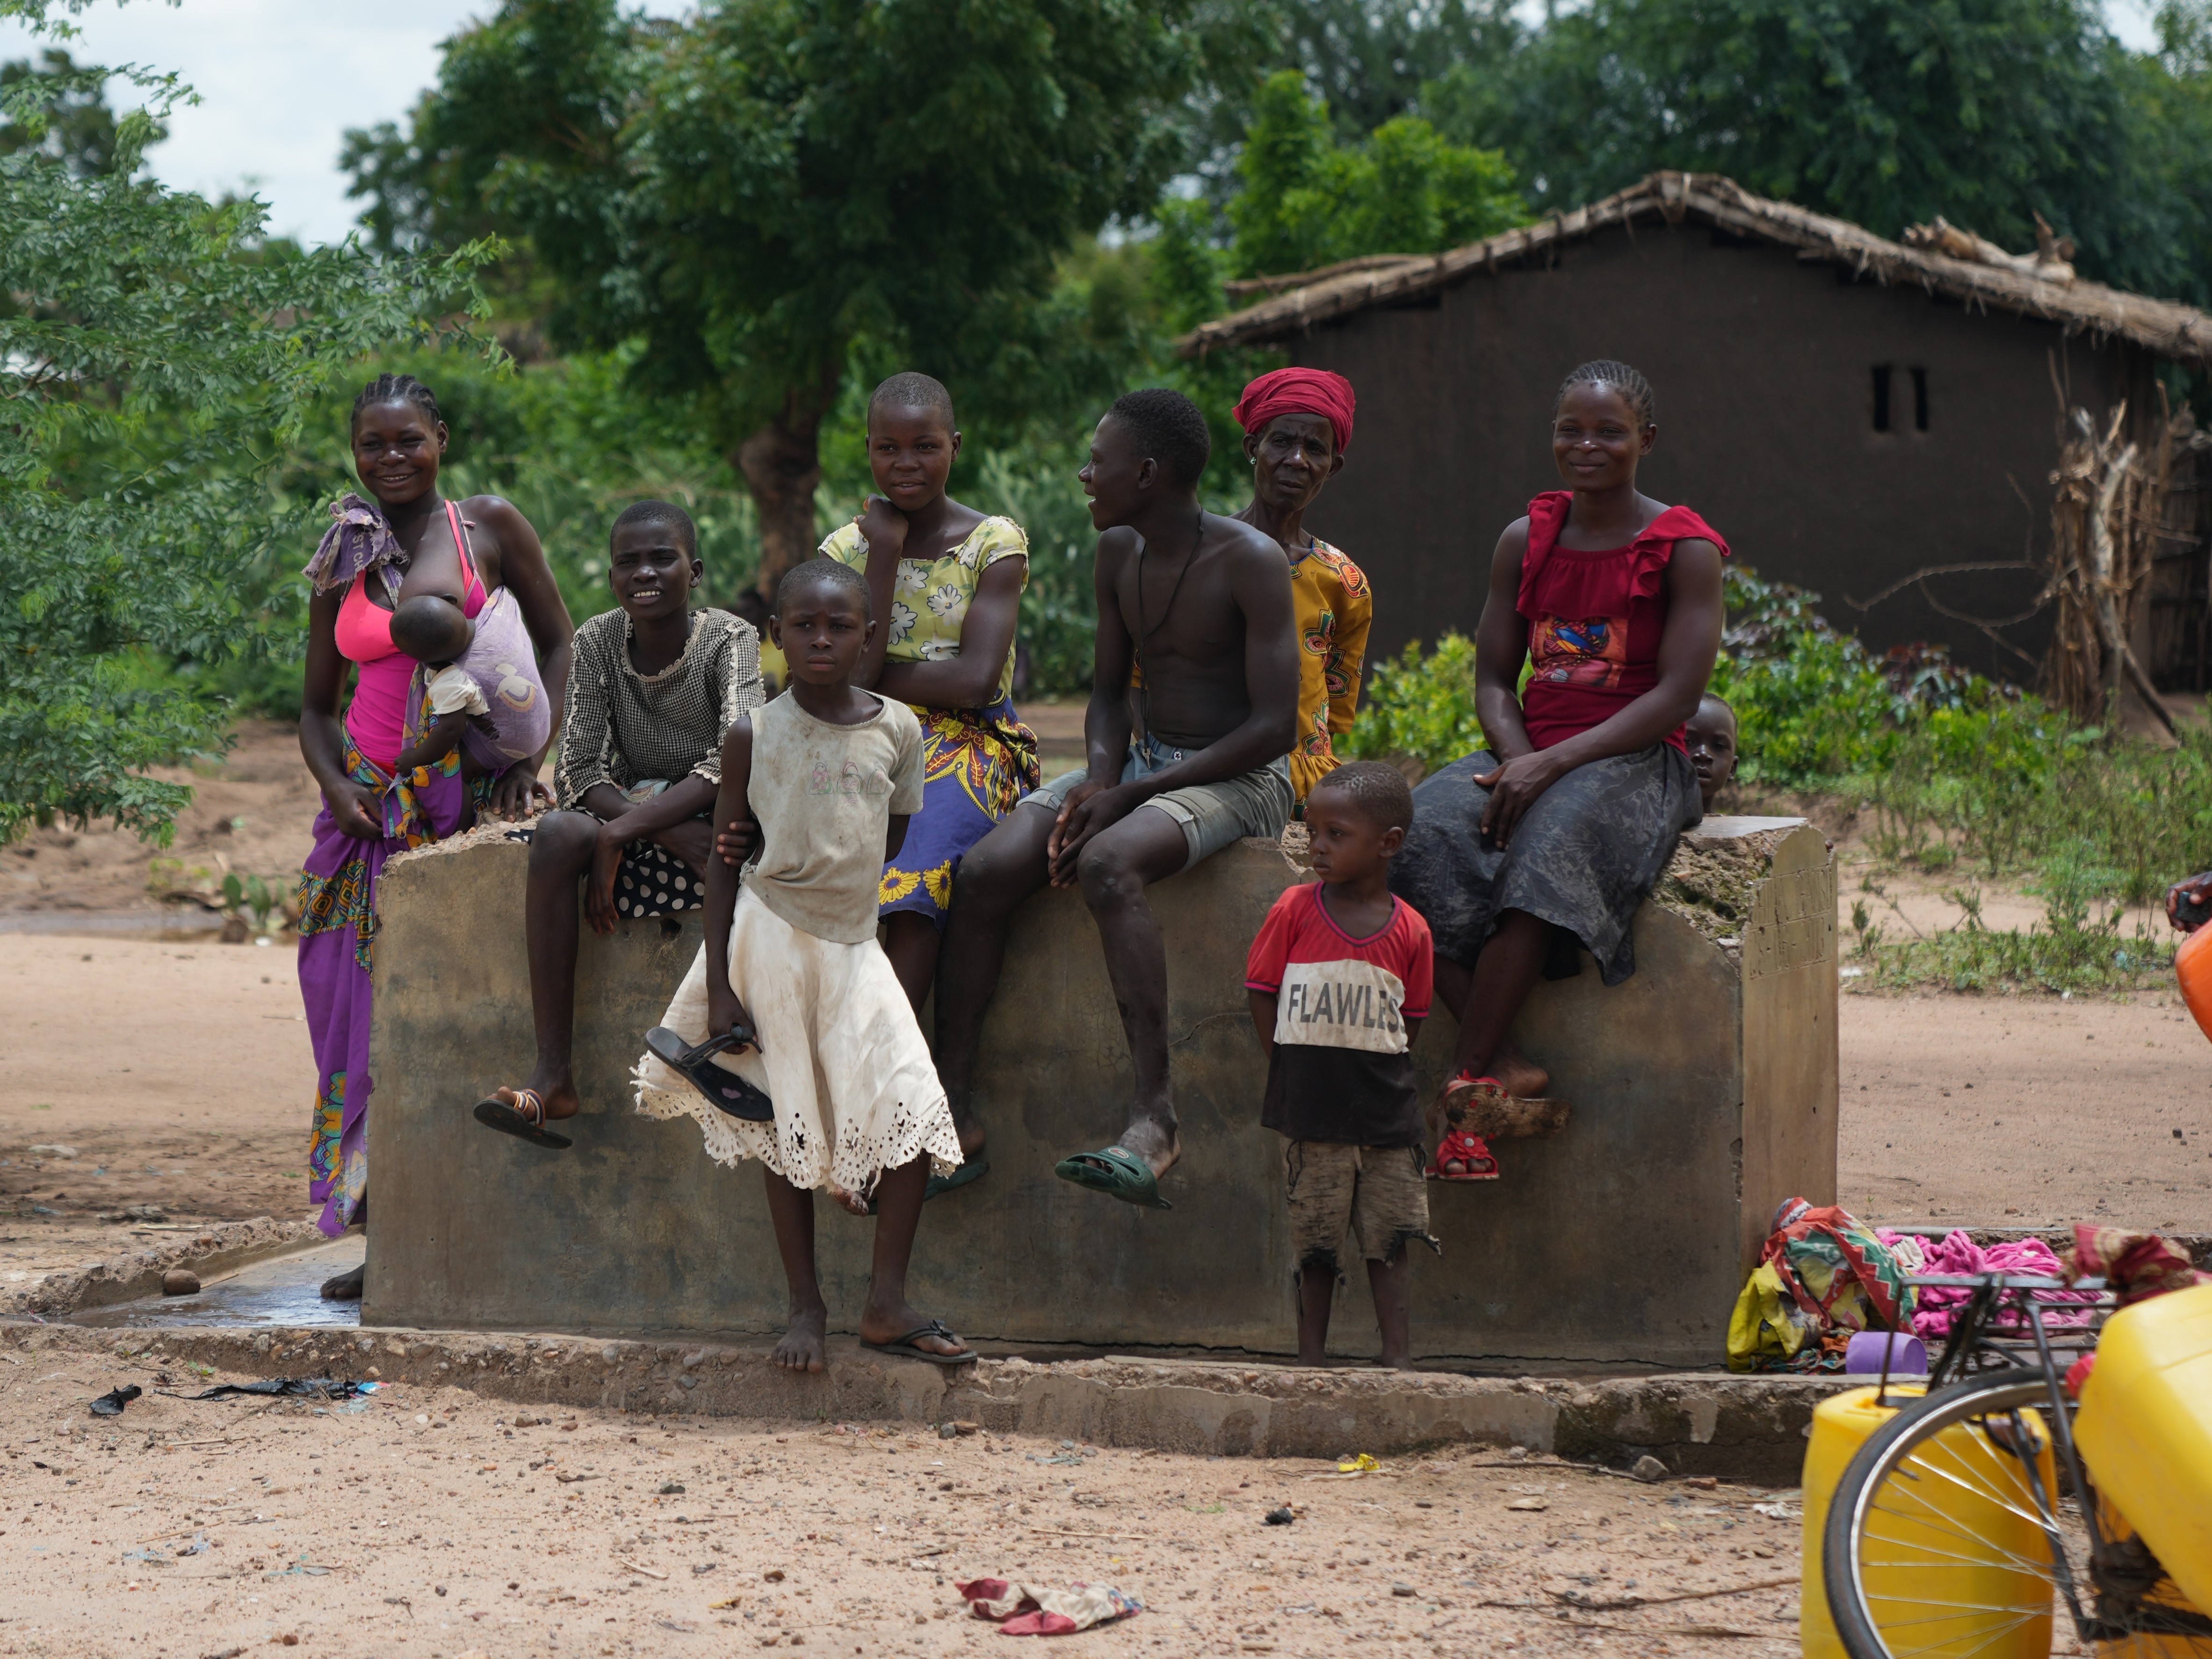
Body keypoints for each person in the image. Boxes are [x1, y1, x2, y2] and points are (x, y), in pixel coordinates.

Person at [932, 388, 1300, 1209]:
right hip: (1140, 759)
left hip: (1238, 775)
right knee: (986, 871)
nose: (1084, 475)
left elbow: (1277, 727)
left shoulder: (1249, 560)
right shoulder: (1117, 554)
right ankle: (950, 1115)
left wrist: (1135, 793)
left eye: (1097, 463)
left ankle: (1155, 1116)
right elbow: (1106, 694)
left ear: (1147, 471)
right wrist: (1102, 776)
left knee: (1105, 862)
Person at [1387, 360, 1727, 1183]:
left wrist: (1552, 766)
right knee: (1412, 833)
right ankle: (1503, 1058)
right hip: (1528, 747)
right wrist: (1517, 760)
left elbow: (1679, 695)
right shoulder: (1526, 538)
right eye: (1571, 429)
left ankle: (1465, 1089)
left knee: (1549, 846)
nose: (1587, 445)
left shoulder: (1685, 549)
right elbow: (1493, 680)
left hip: (1636, 758)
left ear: (1646, 439)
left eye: (1609, 431)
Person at [633, 557, 969, 1371]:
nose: (822, 639)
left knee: (914, 1109)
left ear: (868, 637)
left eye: (840, 626)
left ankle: (886, 1302)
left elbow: (886, 839)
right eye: (804, 626)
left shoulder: (898, 728)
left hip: (854, 943)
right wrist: (719, 985)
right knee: (780, 1123)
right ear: (776, 636)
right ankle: (806, 1305)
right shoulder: (755, 730)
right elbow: (724, 855)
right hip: (769, 939)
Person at [297, 372, 575, 1295]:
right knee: (355, 1028)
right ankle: (382, 1241)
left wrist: (536, 759)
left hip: (462, 815)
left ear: (441, 439)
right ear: (355, 449)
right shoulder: (342, 551)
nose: (391, 458)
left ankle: (450, 1239)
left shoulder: (486, 525)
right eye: (373, 444)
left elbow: (560, 639)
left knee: (445, 1024)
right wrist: (337, 787)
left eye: (407, 439)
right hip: (366, 820)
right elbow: (313, 707)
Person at [474, 499, 763, 1146]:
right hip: (643, 817)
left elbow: (736, 757)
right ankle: (552, 1079)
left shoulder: (730, 640)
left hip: (716, 814)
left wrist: (624, 829)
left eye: (662, 558)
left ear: (696, 570)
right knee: (556, 833)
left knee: (739, 832)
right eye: (627, 561)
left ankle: (727, 1044)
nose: (645, 572)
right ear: (611, 579)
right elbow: (576, 768)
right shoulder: (597, 640)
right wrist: (637, 826)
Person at [817, 372, 1035, 1192]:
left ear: (955, 445)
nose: (904, 463)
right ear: (867, 447)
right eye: (887, 447)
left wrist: (870, 671)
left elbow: (977, 682)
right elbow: (847, 678)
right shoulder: (848, 548)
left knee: (912, 876)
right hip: (861, 743)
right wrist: (881, 556)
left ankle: (880, 1108)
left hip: (974, 746)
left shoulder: (993, 542)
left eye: (925, 446)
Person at [1245, 762, 1438, 1368]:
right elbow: (1260, 990)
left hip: (1386, 1113)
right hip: (1310, 1109)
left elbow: (1411, 1019)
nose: (1317, 847)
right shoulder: (1294, 910)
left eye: (1335, 834)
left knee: (1390, 1236)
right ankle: (1310, 1357)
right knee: (1316, 1241)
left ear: (1388, 845)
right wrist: (1287, 1063)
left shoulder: (1411, 930)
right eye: (1311, 832)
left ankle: (1398, 1359)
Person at [1230, 367, 1373, 803]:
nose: (1297, 460)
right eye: (1282, 442)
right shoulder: (1200, 554)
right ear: (1253, 447)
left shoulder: (1344, 582)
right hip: (1203, 770)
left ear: (1333, 466)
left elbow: (1332, 707)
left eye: (1315, 448)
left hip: (1303, 789)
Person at [1685, 692, 1739, 813]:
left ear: (1732, 768)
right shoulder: (1645, 826)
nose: (1703, 754)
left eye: (1719, 746)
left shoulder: (1729, 831)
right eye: (1688, 742)